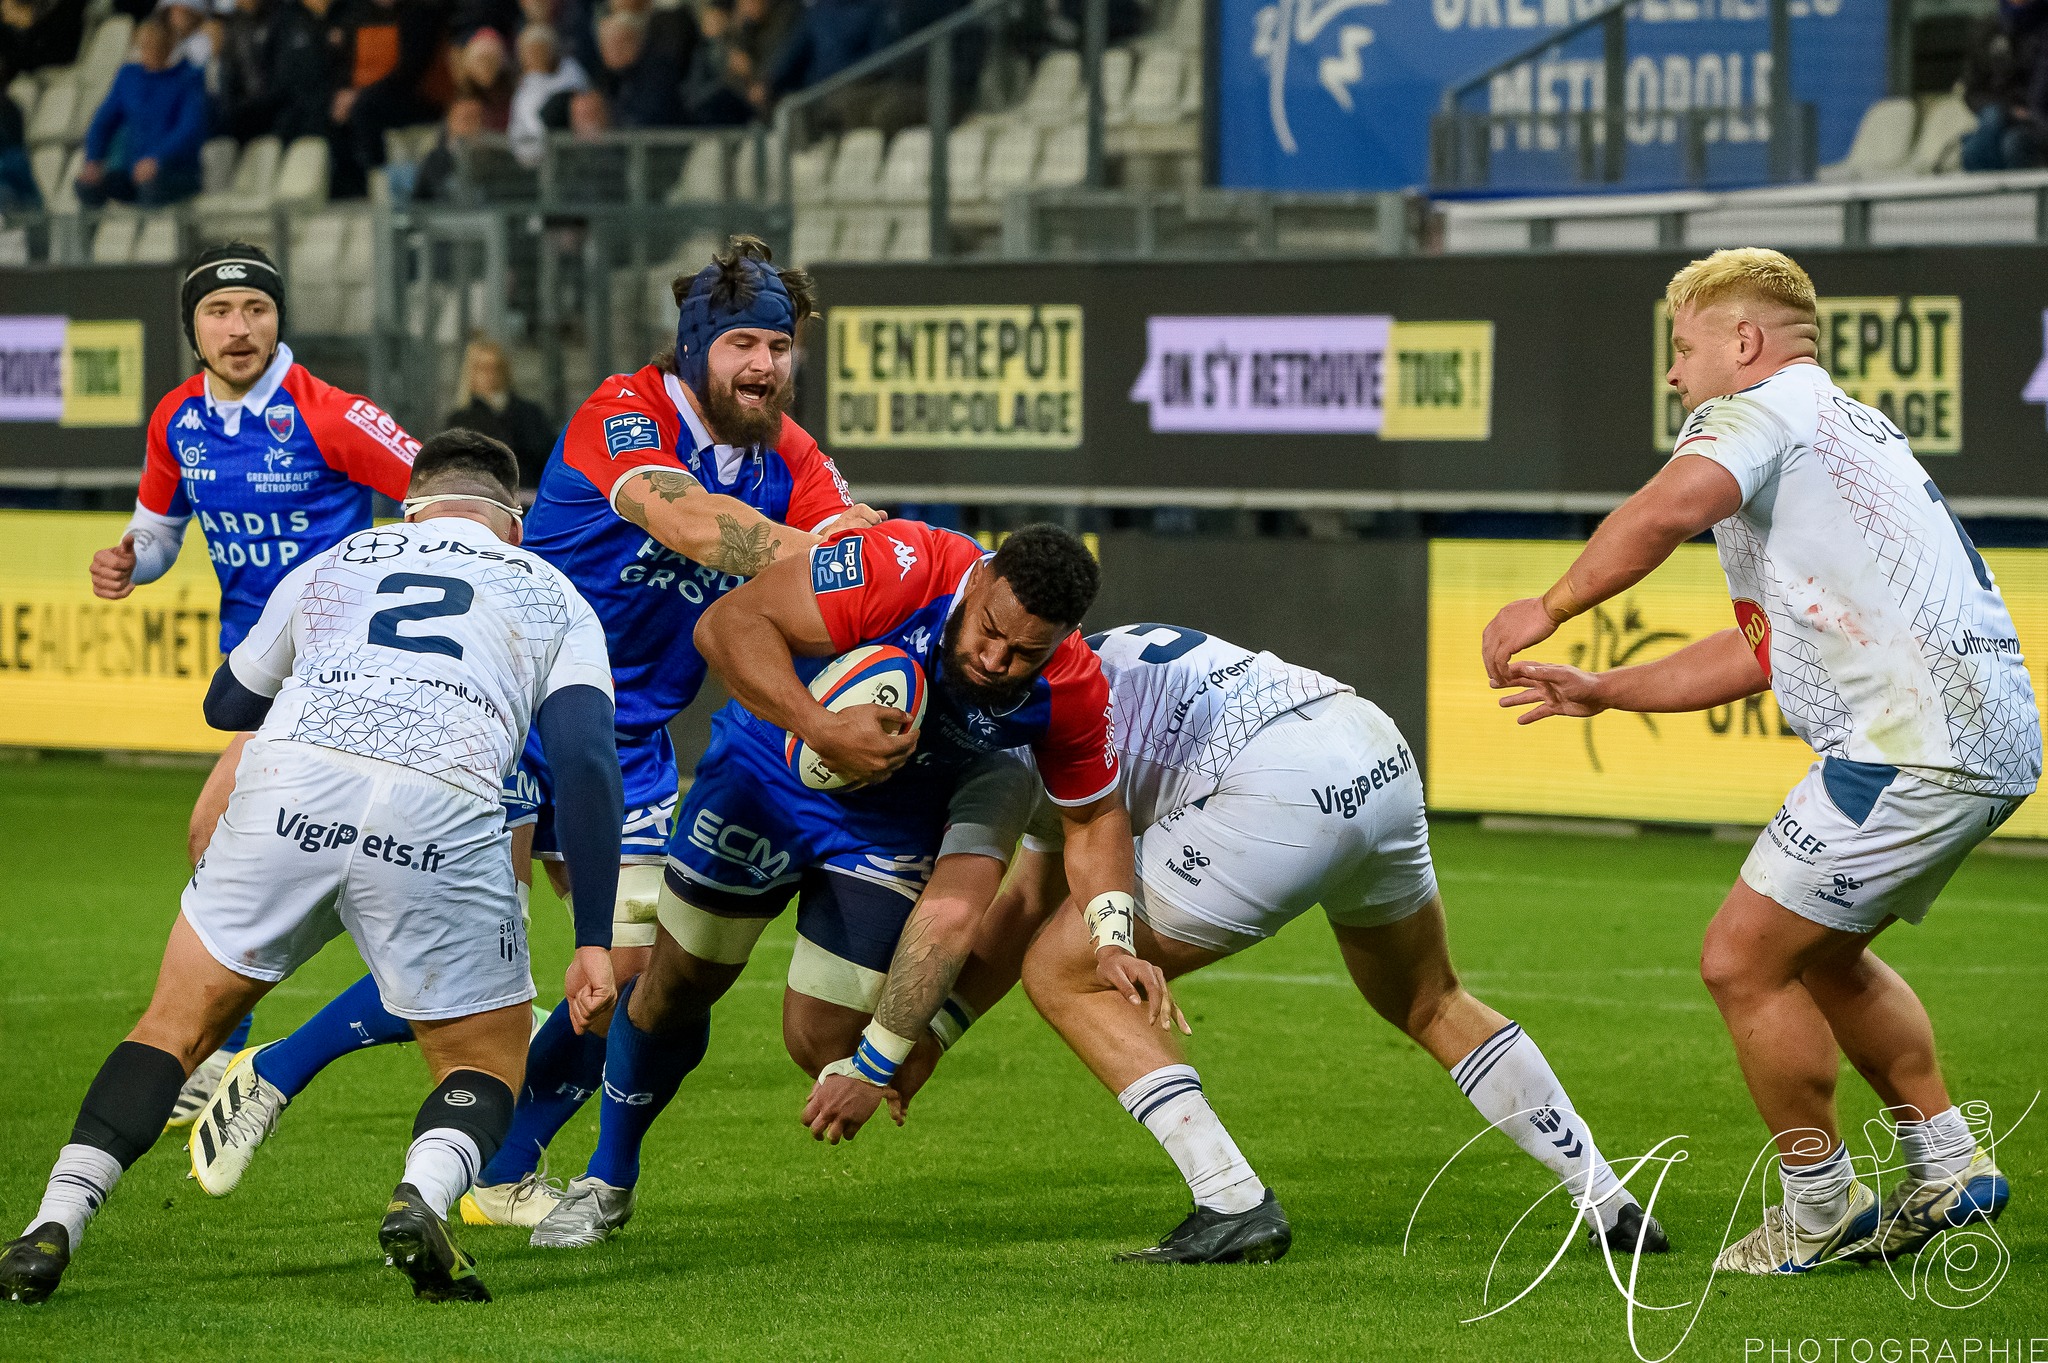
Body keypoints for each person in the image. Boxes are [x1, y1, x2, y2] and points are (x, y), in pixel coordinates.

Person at [180, 237, 878, 1233]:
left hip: (626, 745)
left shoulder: (790, 457)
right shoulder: (622, 413)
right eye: (742, 346)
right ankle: (278, 1071)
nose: (764, 365)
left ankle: (503, 1170)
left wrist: (875, 550)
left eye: (778, 345)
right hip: (501, 722)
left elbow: (843, 541)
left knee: (632, 984)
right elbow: (691, 526)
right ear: (696, 346)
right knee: (468, 961)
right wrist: (854, 555)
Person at [1482, 247, 2039, 1275]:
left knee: (1739, 958)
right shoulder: (1840, 426)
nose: (1671, 375)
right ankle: (1949, 1164)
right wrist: (1605, 687)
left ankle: (1818, 1205)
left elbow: (1663, 510)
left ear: (1741, 342)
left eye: (1680, 347)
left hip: (1907, 739)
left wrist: (1548, 603)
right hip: (1977, 732)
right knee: (1816, 952)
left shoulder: (1759, 409)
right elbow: (1763, 652)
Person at [0, 431, 623, 1306]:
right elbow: (588, 762)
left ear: (410, 506)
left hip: (294, 786)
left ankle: (52, 1221)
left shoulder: (341, 558)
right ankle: (422, 1196)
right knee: (483, 1058)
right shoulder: (553, 592)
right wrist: (592, 936)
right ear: (510, 522)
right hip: (439, 804)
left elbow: (226, 701)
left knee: (171, 1029)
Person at [871, 623, 1670, 1263]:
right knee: (1431, 999)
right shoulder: (1087, 658)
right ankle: (1606, 1196)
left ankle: (1230, 1199)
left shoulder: (1011, 728)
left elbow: (1020, 906)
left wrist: (915, 1035)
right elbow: (1044, 886)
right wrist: (940, 1033)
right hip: (1371, 746)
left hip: (1276, 791)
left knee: (1062, 969)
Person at [528, 519, 1167, 1248]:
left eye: (1026, 652)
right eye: (990, 630)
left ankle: (841, 1061)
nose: (996, 659)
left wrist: (1112, 939)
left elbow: (1090, 823)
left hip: (895, 820)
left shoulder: (1072, 687)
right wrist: (821, 725)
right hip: (767, 773)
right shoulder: (904, 566)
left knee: (825, 1037)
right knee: (674, 985)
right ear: (981, 578)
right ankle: (608, 1180)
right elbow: (727, 623)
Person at [87, 244, 421, 1124]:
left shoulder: (331, 412)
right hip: (263, 674)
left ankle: (225, 1048)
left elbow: (436, 492)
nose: (240, 328)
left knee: (216, 830)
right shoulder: (177, 420)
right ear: (192, 328)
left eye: (256, 309)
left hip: (347, 670)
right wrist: (132, 560)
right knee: (236, 843)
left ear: (280, 318)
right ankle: (241, 1044)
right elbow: (158, 529)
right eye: (219, 311)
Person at [76, 14, 210, 208]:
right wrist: (93, 159)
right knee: (87, 184)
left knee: (150, 184)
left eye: (152, 45)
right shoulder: (129, 76)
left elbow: (190, 128)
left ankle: (154, 234)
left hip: (175, 172)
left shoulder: (188, 78)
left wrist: (158, 159)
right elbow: (103, 120)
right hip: (134, 169)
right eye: (143, 46)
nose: (146, 52)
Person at [444, 336, 557, 490]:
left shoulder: (530, 413)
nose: (490, 375)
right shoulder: (460, 421)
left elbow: (546, 457)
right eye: (482, 368)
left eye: (496, 367)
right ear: (471, 373)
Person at [508, 22, 585, 165]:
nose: (534, 57)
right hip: (529, 161)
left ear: (551, 50)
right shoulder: (524, 85)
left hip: (566, 156)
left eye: (539, 50)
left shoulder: (570, 72)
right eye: (529, 52)